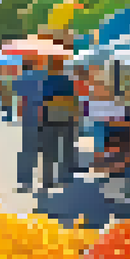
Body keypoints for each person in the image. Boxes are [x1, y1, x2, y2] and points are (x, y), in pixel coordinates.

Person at [40, 57, 80, 189]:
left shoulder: (45, 81)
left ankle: (48, 180)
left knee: (49, 151)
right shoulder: (68, 81)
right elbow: (74, 100)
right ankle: (66, 177)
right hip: (66, 117)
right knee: (66, 149)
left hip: (49, 119)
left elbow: (43, 101)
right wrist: (75, 116)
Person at [13, 58, 46, 193]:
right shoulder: (43, 76)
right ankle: (46, 182)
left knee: (27, 150)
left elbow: (20, 99)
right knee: (45, 150)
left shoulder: (21, 79)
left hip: (28, 117)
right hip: (44, 115)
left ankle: (25, 182)